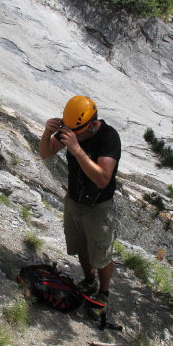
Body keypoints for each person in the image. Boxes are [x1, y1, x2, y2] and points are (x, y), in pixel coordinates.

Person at [39, 95, 121, 319]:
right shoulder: (72, 129)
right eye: (70, 131)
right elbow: (45, 153)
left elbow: (103, 178)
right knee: (81, 246)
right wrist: (47, 133)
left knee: (101, 254)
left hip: (99, 206)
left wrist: (76, 149)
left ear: (92, 124)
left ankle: (103, 293)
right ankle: (88, 280)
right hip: (74, 200)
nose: (74, 136)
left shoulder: (109, 137)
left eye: (79, 133)